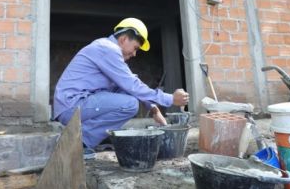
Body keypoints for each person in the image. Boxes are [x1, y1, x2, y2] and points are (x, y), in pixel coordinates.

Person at [53, 17, 190, 159]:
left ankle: (91, 137)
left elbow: (129, 85)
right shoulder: (107, 49)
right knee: (129, 104)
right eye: (135, 48)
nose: (135, 54)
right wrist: (170, 98)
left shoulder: (107, 50)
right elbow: (132, 85)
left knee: (126, 96)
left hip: (75, 105)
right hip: (71, 106)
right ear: (123, 39)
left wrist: (153, 109)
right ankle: (75, 143)